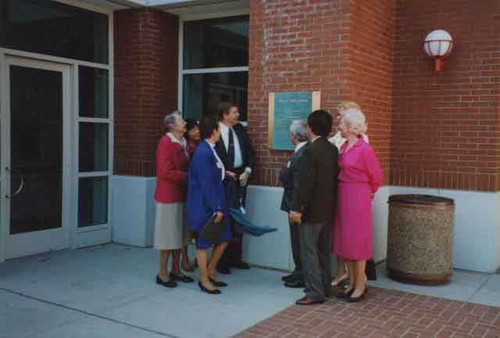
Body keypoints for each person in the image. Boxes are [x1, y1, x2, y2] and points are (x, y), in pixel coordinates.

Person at [333, 108, 383, 302]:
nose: (339, 127)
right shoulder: (344, 146)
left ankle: (360, 285)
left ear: (351, 127)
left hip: (358, 196)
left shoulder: (364, 149)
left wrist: (368, 192)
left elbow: (376, 176)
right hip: (343, 194)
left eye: (342, 124)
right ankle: (352, 282)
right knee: (347, 241)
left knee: (357, 241)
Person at [290, 110, 338, 305]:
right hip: (327, 209)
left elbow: (305, 184)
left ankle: (314, 292)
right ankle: (325, 286)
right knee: (323, 251)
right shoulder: (332, 149)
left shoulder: (310, 151)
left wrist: (297, 208)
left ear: (310, 127)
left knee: (308, 251)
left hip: (311, 211)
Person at [187, 116, 231, 295]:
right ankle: (203, 280)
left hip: (216, 199)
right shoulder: (204, 152)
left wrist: (224, 172)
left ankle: (211, 270)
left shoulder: (209, 149)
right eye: (219, 129)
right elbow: (206, 183)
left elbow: (213, 174)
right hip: (206, 203)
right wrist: (216, 208)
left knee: (224, 238)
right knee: (203, 243)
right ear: (213, 131)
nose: (220, 132)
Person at [153, 111, 194, 288]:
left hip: (182, 195)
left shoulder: (184, 142)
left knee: (179, 235)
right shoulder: (166, 141)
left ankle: (176, 270)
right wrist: (189, 177)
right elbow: (165, 171)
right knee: (167, 237)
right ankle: (162, 273)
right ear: (172, 126)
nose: (185, 123)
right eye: (181, 121)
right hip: (168, 197)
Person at [214, 102, 256, 274]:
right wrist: (224, 173)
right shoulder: (214, 132)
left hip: (240, 179)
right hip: (223, 181)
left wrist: (247, 170)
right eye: (234, 112)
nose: (238, 115)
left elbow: (250, 152)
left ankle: (235, 258)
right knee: (224, 220)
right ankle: (221, 261)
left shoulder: (239, 130)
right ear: (224, 115)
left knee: (239, 216)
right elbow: (212, 158)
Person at [279, 120, 308, 288]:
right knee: (295, 240)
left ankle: (301, 274)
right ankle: (298, 271)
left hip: (295, 205)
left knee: (299, 241)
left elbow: (294, 180)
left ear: (294, 136)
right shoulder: (299, 151)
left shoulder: (303, 153)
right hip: (292, 203)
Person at [180, 118, 201, 272]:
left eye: (198, 128)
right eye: (194, 129)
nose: (197, 132)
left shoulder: (200, 147)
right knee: (185, 228)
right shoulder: (184, 148)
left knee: (196, 229)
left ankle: (198, 258)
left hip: (197, 192)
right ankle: (184, 259)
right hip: (185, 191)